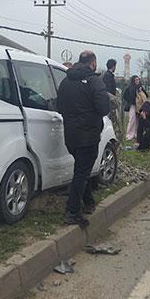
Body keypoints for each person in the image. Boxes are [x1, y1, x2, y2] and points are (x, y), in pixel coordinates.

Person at [57, 50, 110, 227]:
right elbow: (103, 108)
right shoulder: (94, 81)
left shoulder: (65, 81)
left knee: (82, 168)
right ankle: (72, 211)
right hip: (88, 134)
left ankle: (88, 202)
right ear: (92, 62)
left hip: (70, 134)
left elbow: (59, 106)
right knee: (81, 172)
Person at [122, 75, 146, 142]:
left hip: (140, 105)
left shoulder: (140, 87)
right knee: (132, 119)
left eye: (138, 79)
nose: (137, 81)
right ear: (133, 80)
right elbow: (125, 95)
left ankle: (136, 133)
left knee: (138, 119)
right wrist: (130, 101)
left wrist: (141, 90)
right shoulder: (130, 87)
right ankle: (129, 134)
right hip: (132, 105)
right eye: (136, 80)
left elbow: (146, 95)